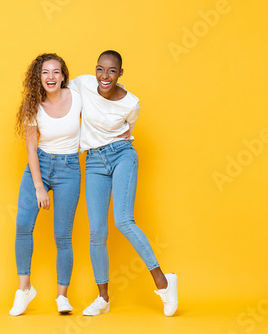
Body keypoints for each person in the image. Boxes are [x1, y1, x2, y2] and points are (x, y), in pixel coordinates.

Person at [67, 50, 178, 316]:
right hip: (93, 161)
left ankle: (163, 282)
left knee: (123, 220)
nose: (104, 76)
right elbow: (58, 92)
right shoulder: (83, 84)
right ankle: (103, 299)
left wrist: (118, 146)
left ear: (120, 73)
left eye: (111, 71)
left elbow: (129, 129)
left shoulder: (131, 103)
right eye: (100, 69)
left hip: (122, 155)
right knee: (97, 232)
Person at [10, 53, 81, 316]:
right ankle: (24, 289)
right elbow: (30, 148)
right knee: (22, 225)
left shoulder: (78, 97)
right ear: (38, 77)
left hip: (69, 168)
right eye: (45, 73)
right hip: (39, 165)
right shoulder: (33, 105)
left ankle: (62, 296)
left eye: (55, 72)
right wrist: (39, 186)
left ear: (63, 75)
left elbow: (104, 106)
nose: (50, 77)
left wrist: (124, 128)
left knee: (63, 235)